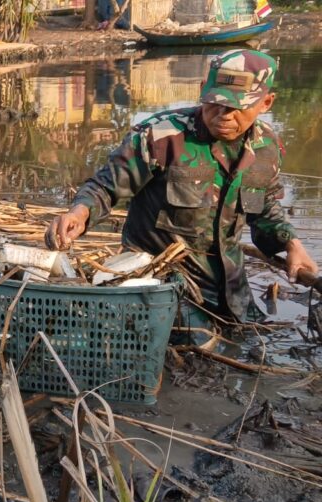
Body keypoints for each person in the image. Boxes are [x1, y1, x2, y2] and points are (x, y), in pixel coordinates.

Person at [45, 50, 318, 321]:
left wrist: (291, 243)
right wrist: (79, 213)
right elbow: (106, 186)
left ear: (266, 103)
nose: (223, 115)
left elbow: (264, 206)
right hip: (162, 288)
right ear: (202, 89)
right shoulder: (161, 135)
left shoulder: (267, 147)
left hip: (231, 291)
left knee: (253, 347)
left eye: (236, 107)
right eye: (215, 103)